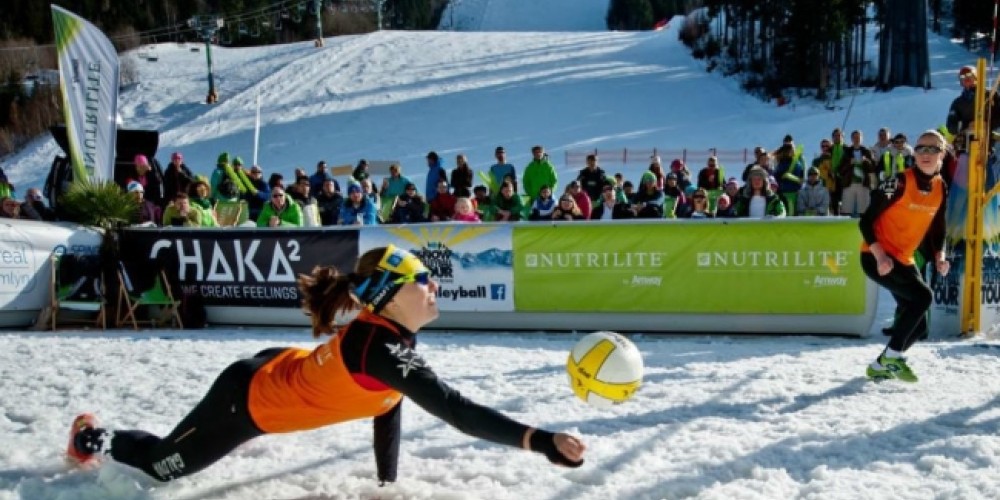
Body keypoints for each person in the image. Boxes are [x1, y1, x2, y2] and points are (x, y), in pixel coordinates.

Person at [66, 245, 585, 482]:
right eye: (422, 279)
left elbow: (387, 402)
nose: (435, 285)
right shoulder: (378, 348)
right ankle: (93, 438)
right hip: (244, 401)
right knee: (162, 468)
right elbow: (454, 409)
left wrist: (387, 482)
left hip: (281, 369)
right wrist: (539, 441)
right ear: (388, 295)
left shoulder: (391, 342)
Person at [861, 130, 950, 383]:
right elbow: (866, 221)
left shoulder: (940, 187)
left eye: (933, 149)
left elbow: (938, 228)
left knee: (919, 325)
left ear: (941, 155)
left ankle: (882, 364)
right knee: (924, 297)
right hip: (875, 256)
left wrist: (940, 256)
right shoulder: (898, 181)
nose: (926, 154)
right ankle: (891, 357)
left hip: (903, 258)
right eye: (921, 148)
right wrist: (880, 257)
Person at [946, 65, 1000, 137]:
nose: (966, 79)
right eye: (962, 78)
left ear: (976, 77)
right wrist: (967, 125)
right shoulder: (958, 103)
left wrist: (988, 125)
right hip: (967, 142)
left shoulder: (991, 95)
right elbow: (951, 126)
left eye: (969, 76)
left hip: (989, 140)